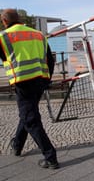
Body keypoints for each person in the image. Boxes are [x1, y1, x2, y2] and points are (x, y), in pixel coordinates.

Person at [0, 9, 59, 169]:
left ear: (4, 21)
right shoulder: (38, 34)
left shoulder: (3, 37)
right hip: (40, 80)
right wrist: (47, 80)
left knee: (30, 119)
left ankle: (50, 156)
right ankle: (17, 145)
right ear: (18, 19)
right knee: (27, 113)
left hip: (23, 82)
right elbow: (50, 60)